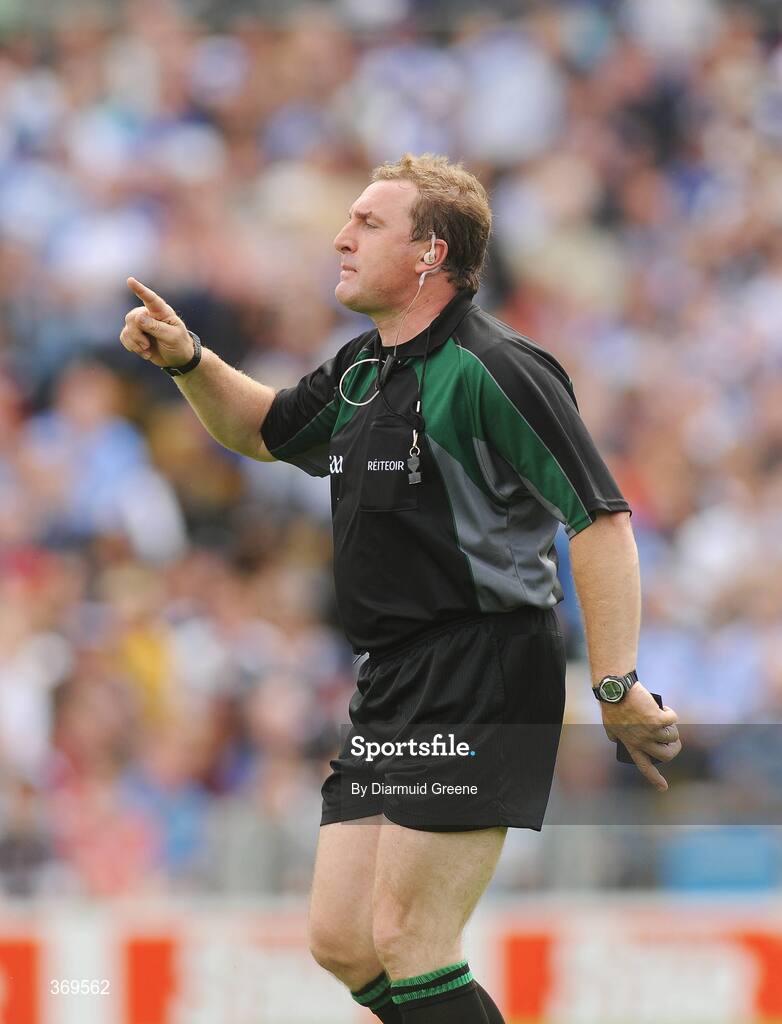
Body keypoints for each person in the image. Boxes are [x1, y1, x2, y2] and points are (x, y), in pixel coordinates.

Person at [120, 153, 682, 1024]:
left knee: (411, 938)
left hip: (483, 667)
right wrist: (190, 359)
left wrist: (614, 681)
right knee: (343, 940)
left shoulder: (497, 367)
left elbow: (600, 521)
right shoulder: (362, 368)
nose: (340, 237)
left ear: (430, 254)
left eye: (368, 224)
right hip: (392, 678)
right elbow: (266, 431)